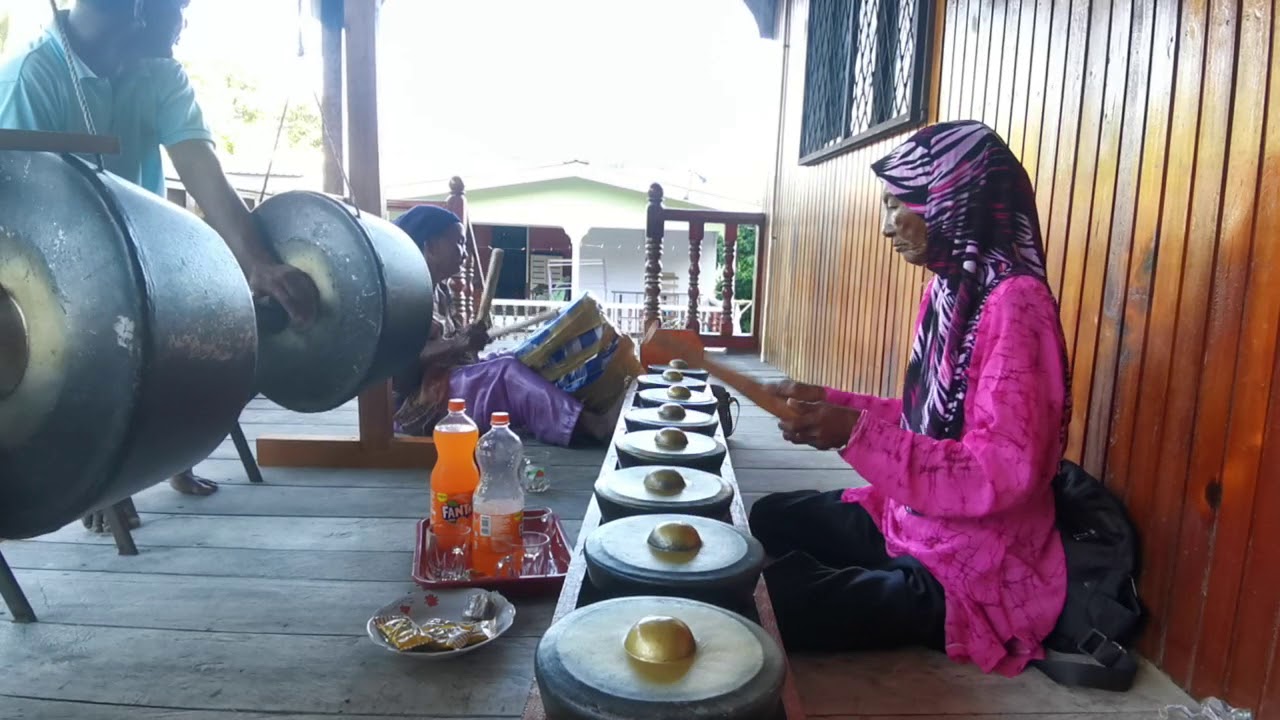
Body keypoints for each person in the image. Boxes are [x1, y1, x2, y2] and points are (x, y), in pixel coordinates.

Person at [748, 120, 1070, 677]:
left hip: (975, 562)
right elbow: (926, 422)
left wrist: (852, 432)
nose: (885, 226)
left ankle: (891, 588)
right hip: (912, 520)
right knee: (771, 515)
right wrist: (825, 400)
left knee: (775, 605)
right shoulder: (949, 288)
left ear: (953, 199)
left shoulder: (1019, 305)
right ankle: (876, 572)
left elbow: (1001, 469)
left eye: (899, 205)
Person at [0, 0, 319, 525]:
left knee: (209, 330)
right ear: (140, 12)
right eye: (180, 9)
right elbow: (27, 220)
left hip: (144, 250)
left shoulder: (158, 69)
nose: (185, 24)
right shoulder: (31, 80)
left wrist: (258, 264)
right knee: (100, 356)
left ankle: (170, 455)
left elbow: (199, 165)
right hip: (52, 276)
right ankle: (99, 483)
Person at [390, 205, 623, 446]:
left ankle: (572, 413)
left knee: (516, 357)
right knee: (505, 372)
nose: (464, 253)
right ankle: (595, 426)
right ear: (432, 246)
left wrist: (468, 339)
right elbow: (400, 368)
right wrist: (457, 344)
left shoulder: (441, 290)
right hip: (418, 406)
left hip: (441, 386)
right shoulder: (408, 295)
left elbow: (450, 346)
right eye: (458, 243)